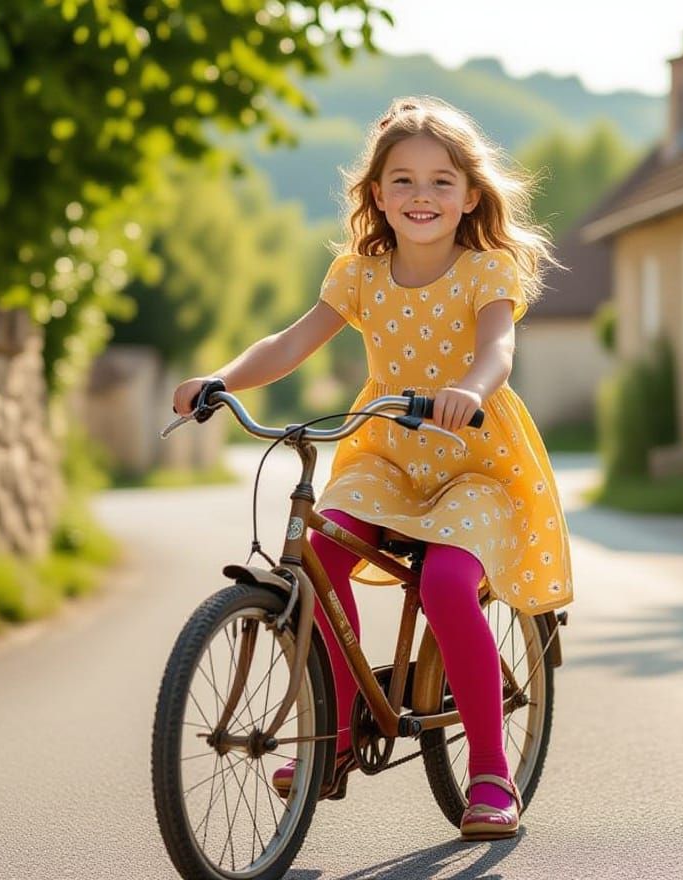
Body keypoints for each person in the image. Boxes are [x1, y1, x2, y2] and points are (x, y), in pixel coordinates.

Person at [173, 95, 573, 840]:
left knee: (448, 582)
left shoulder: (486, 269)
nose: (422, 196)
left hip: (476, 458)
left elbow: (498, 350)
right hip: (387, 451)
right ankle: (340, 728)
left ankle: (489, 771)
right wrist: (221, 378)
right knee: (320, 556)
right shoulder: (361, 272)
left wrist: (469, 390)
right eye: (404, 181)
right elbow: (292, 342)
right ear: (378, 196)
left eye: (441, 182)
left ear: (470, 196)